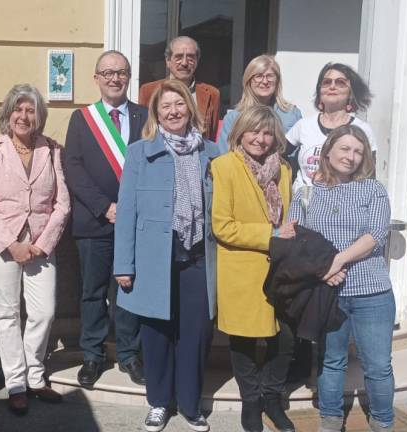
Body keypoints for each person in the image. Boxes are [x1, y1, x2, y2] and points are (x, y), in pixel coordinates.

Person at [114, 79, 226, 432]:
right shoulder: (139, 152)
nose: (174, 111)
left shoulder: (211, 152)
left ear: (190, 110)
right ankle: (160, 402)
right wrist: (124, 265)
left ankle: (191, 405)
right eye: (166, 107)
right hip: (153, 257)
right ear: (156, 113)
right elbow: (127, 212)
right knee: (156, 333)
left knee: (195, 333)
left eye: (180, 105)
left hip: (197, 256)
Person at [287, 125, 394, 432]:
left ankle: (384, 422)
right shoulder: (306, 193)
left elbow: (375, 235)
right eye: (345, 149)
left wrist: (335, 262)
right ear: (328, 152)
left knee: (378, 366)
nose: (351, 156)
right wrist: (321, 271)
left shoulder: (374, 190)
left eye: (358, 151)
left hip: (371, 292)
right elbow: (296, 240)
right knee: (332, 360)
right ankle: (331, 421)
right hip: (327, 293)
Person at [0, 84, 70, 416]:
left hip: (41, 244)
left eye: (30, 110)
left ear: (39, 116)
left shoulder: (53, 149)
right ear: (8, 113)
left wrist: (42, 244)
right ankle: (16, 382)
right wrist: (11, 245)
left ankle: (35, 376)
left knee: (43, 312)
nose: (23, 116)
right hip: (3, 243)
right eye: (18, 109)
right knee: (8, 313)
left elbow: (62, 205)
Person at [211, 105, 296, 432]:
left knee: (284, 338)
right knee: (244, 341)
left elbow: (288, 215)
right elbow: (223, 226)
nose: (260, 139)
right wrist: (271, 235)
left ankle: (271, 397)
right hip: (243, 269)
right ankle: (250, 401)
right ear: (239, 133)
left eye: (267, 133)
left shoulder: (283, 170)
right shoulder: (224, 167)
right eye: (253, 131)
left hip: (280, 269)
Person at [64, 50, 146, 388]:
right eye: (108, 72)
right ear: (97, 78)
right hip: (94, 223)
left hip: (136, 222)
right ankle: (93, 355)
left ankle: (128, 354)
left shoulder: (145, 116)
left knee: (129, 289)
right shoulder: (82, 119)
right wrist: (105, 207)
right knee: (93, 292)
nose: (115, 78)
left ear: (129, 77)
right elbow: (74, 168)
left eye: (121, 72)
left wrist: (130, 209)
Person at [286, 62, 375, 192]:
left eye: (340, 83)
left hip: (343, 205)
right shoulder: (303, 126)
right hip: (304, 205)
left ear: (351, 92)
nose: (332, 86)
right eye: (327, 82)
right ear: (320, 90)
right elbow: (277, 155)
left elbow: (369, 176)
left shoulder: (362, 129)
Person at [138, 36, 220, 141]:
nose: (184, 63)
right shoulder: (148, 91)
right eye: (179, 57)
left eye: (190, 57)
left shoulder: (212, 94)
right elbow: (145, 131)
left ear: (197, 61)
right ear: (168, 61)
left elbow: (211, 137)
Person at [218, 54, 301, 148]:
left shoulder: (292, 113)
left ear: (277, 81)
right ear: (248, 81)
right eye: (259, 76)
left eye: (270, 76)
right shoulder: (233, 118)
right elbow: (224, 154)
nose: (265, 81)